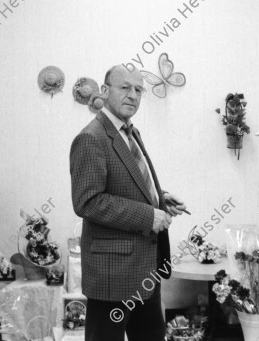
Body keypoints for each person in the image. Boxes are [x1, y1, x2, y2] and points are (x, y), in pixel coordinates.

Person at [70, 64, 187, 341]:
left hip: (146, 268)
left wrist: (160, 199)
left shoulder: (130, 131)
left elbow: (131, 184)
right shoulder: (91, 137)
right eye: (125, 88)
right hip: (113, 273)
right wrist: (148, 216)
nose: (133, 95)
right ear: (105, 90)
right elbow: (88, 201)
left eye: (138, 90)